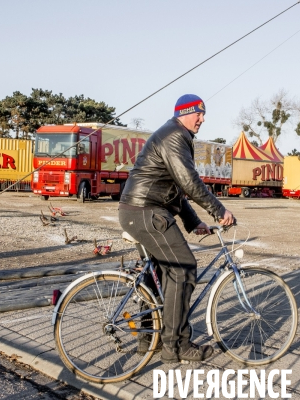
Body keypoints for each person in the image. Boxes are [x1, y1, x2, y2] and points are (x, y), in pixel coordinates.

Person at [118, 94, 234, 364]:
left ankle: (150, 339)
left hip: (140, 211)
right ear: (186, 112)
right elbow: (189, 181)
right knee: (183, 268)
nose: (202, 119)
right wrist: (219, 210)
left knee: (158, 275)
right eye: (199, 114)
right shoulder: (174, 136)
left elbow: (177, 191)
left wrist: (194, 223)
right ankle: (177, 345)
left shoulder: (174, 135)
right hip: (148, 212)